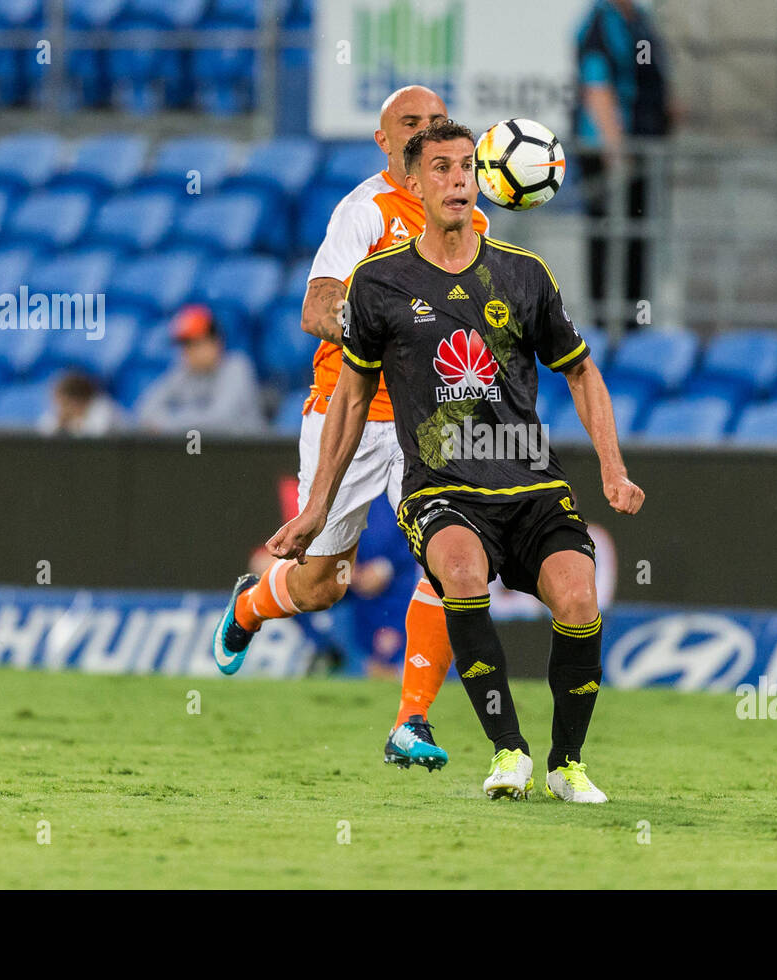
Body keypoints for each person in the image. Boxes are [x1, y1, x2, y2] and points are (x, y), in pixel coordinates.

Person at [268, 119, 645, 803]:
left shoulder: (524, 275)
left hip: (529, 478)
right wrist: (317, 506)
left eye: (467, 167)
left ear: (483, 180)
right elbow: (350, 403)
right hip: (441, 486)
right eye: (440, 168)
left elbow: (583, 373)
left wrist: (613, 470)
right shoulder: (378, 285)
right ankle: (508, 752)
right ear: (414, 183)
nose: (457, 180)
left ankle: (567, 763)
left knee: (580, 597)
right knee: (463, 578)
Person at [210, 85, 489, 773]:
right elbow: (316, 306)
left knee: (458, 564)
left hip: (428, 423)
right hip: (351, 415)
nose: (424, 135)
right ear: (387, 142)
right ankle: (251, 608)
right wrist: (377, 324)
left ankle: (410, 721)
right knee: (321, 586)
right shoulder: (365, 212)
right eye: (409, 125)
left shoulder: (469, 221)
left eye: (435, 124)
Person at [573, 0, 674, 332]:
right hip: (611, 155)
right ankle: (602, 332)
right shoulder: (600, 23)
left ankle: (636, 329)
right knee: (606, 240)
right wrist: (615, 148)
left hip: (643, 154)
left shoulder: (640, 20)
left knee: (637, 243)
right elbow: (596, 85)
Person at [135, 305, 265, 435]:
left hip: (245, 451)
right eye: (184, 345)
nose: (187, 352)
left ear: (215, 342)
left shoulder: (236, 367)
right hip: (204, 451)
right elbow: (144, 411)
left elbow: (221, 419)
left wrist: (168, 424)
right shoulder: (183, 372)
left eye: (194, 344)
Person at [38, 371, 124, 437]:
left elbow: (97, 436)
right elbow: (42, 433)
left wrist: (71, 426)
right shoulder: (61, 416)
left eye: (63, 403)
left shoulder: (104, 410)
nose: (59, 407)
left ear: (76, 400)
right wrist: (58, 425)